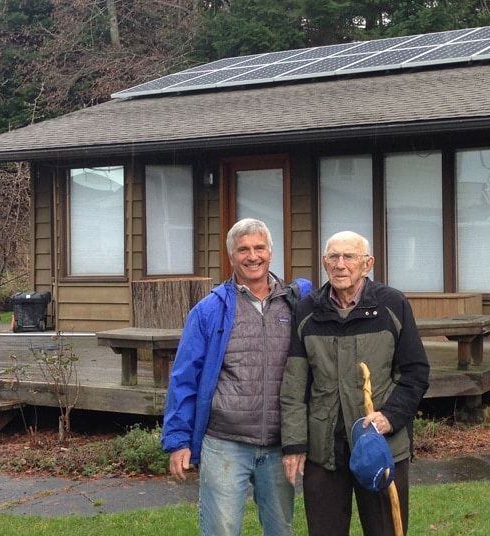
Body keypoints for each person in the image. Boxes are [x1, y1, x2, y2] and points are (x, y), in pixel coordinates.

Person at [162, 218, 311, 536]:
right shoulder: (209, 311)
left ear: (270, 253)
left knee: (281, 529)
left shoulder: (294, 305)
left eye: (259, 248)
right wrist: (178, 441)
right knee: (222, 530)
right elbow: (184, 378)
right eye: (243, 250)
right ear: (231, 256)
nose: (252, 256)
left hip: (279, 443)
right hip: (225, 442)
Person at [280, 231, 430, 536]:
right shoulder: (307, 310)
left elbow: (415, 372)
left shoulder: (392, 305)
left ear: (367, 263)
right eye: (333, 257)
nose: (340, 264)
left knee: (385, 530)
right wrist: (294, 444)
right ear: (324, 263)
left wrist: (391, 417)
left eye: (349, 256)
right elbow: (294, 385)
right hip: (324, 450)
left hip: (381, 445)